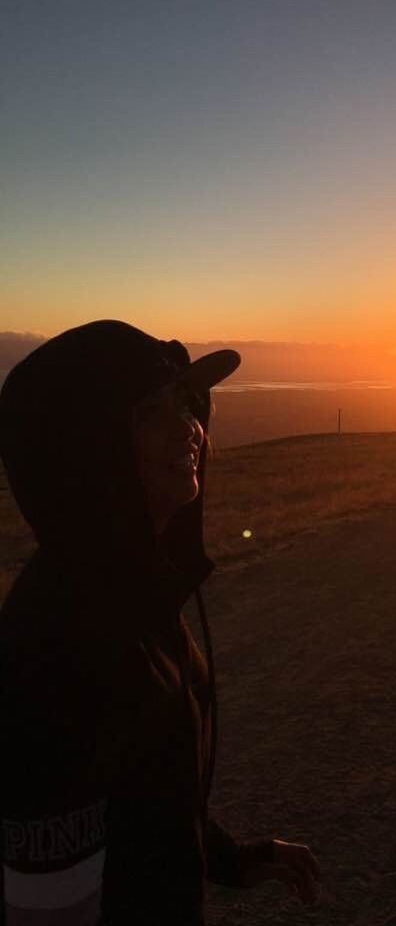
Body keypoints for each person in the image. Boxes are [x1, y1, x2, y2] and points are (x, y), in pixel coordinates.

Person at [0, 321, 320, 925]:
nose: (189, 427)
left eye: (187, 402)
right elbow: (46, 905)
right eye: (151, 411)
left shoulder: (134, 592)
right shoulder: (52, 644)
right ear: (86, 448)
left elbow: (146, 796)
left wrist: (231, 857)